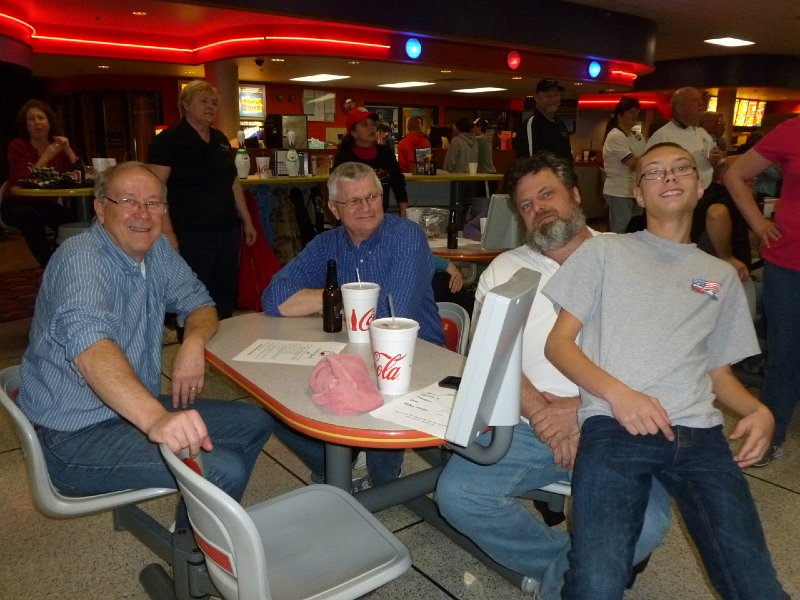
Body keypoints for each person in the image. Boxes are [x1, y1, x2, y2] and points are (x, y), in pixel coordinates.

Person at [544, 142, 786, 599]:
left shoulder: (718, 275)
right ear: (637, 194)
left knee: (756, 584)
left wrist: (758, 409)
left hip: (700, 435)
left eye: (680, 170)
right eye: (654, 173)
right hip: (616, 428)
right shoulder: (605, 253)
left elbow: (718, 372)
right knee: (597, 582)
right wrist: (621, 395)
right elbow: (558, 345)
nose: (669, 178)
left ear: (699, 186)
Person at [436, 152, 671, 599]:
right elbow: (496, 358)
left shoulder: (632, 261)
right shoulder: (505, 270)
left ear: (576, 195)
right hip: (527, 421)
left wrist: (583, 412)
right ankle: (577, 568)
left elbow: (659, 364)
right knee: (459, 496)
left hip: (616, 421)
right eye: (526, 204)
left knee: (650, 521)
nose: (538, 208)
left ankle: (574, 577)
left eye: (547, 194)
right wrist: (543, 413)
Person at [16, 162, 273, 502]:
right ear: (100, 208)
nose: (143, 213)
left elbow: (200, 304)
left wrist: (192, 344)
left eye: (154, 202)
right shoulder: (81, 260)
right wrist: (156, 420)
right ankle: (195, 552)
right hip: (71, 436)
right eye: (129, 201)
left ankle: (190, 532)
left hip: (131, 406)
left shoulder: (157, 251)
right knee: (223, 469)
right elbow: (92, 349)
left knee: (255, 421)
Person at [262, 161, 444, 487]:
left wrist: (336, 307)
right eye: (354, 201)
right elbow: (275, 298)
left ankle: (382, 483)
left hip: (417, 357)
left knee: (377, 385)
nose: (366, 207)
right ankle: (338, 465)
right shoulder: (327, 244)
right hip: (346, 352)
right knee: (272, 401)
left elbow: (391, 318)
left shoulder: (406, 236)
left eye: (372, 197)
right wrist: (334, 299)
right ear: (334, 208)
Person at [724, 116, 800, 466]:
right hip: (789, 265)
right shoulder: (793, 131)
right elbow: (734, 174)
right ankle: (770, 435)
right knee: (784, 355)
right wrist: (758, 223)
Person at [147, 79, 257, 320]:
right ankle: (194, 344)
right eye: (204, 101)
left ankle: (223, 345)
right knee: (194, 293)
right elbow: (155, 190)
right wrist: (167, 232)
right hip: (189, 230)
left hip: (226, 228)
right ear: (185, 104)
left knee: (225, 291)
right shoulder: (168, 141)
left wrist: (247, 220)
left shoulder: (220, 140)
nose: (211, 107)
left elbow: (232, 183)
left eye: (214, 103)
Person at [4, 99, 74, 267]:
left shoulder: (57, 147)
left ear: (49, 123)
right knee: (30, 218)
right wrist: (46, 156)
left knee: (71, 220)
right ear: (25, 125)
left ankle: (59, 260)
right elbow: (24, 179)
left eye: (41, 117)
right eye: (31, 119)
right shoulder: (17, 146)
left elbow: (75, 174)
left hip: (43, 202)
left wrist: (68, 149)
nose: (36, 122)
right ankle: (50, 266)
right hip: (16, 202)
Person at [333, 107, 408, 217]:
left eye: (373, 124)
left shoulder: (385, 152)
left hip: (380, 214)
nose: (371, 128)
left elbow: (398, 181)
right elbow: (337, 189)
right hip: (352, 215)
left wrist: (404, 208)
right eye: (364, 125)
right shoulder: (344, 157)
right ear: (353, 132)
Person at [690, 156, 751, 280]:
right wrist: (727, 259)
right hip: (720, 280)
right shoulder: (726, 198)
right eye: (745, 171)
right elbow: (716, 213)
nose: (753, 176)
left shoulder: (711, 194)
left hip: (704, 280)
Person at [647, 87, 721, 188]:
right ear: (679, 108)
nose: (701, 103)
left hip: (706, 191)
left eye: (700, 99)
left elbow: (711, 165)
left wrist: (715, 160)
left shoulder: (702, 132)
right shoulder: (662, 136)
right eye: (694, 100)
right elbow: (650, 171)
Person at [601, 97, 647, 233]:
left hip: (636, 189)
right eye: (631, 112)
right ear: (620, 115)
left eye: (636, 112)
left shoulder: (636, 136)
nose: (635, 116)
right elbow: (632, 163)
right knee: (621, 231)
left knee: (635, 229)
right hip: (619, 191)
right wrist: (645, 159)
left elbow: (647, 159)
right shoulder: (615, 136)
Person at [514, 78, 572, 164]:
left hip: (563, 176)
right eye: (548, 96)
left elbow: (567, 157)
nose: (552, 100)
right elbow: (526, 162)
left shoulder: (560, 124)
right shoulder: (531, 125)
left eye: (556, 95)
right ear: (536, 98)